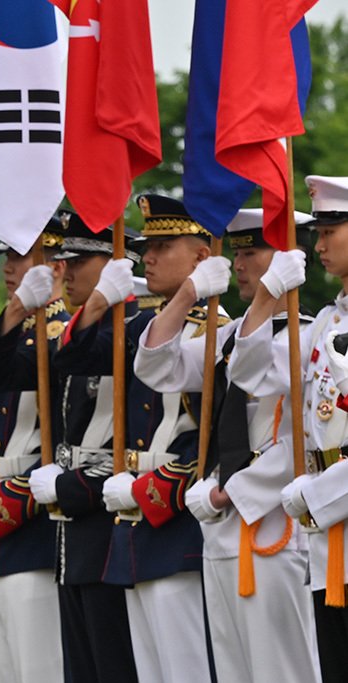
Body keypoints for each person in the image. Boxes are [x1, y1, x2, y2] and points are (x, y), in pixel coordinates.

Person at [135, 207, 320, 682]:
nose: (238, 264)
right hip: (222, 526)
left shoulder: (311, 335)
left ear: (284, 259)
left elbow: (304, 434)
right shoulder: (230, 334)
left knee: (283, 668)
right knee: (236, 669)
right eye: (236, 253)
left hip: (277, 525)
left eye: (252, 252)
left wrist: (230, 490)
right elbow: (156, 367)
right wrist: (189, 293)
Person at [53, 195, 220, 683]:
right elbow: (74, 354)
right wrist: (101, 300)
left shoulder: (215, 333)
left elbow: (213, 442)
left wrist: (148, 490)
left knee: (186, 668)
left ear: (201, 258)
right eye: (147, 245)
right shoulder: (143, 326)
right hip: (133, 532)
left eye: (164, 246)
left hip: (176, 525)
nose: (147, 256)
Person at [228, 175, 348, 681]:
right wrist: (267, 298)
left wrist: (319, 494)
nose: (317, 244)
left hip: (328, 508)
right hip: (329, 544)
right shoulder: (324, 324)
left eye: (330, 230)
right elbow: (248, 371)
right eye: (316, 232)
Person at [28, 212, 140, 683]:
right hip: (70, 523)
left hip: (110, 513)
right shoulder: (87, 328)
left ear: (116, 265)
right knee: (82, 666)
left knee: (114, 663)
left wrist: (98, 306)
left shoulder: (140, 329)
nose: (65, 270)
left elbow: (71, 355)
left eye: (79, 261)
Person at [0, 217, 69, 683]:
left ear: (57, 267)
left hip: (30, 522)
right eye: (7, 257)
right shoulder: (7, 331)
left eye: (23, 257)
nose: (10, 268)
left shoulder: (64, 333)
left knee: (37, 668)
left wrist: (2, 499)